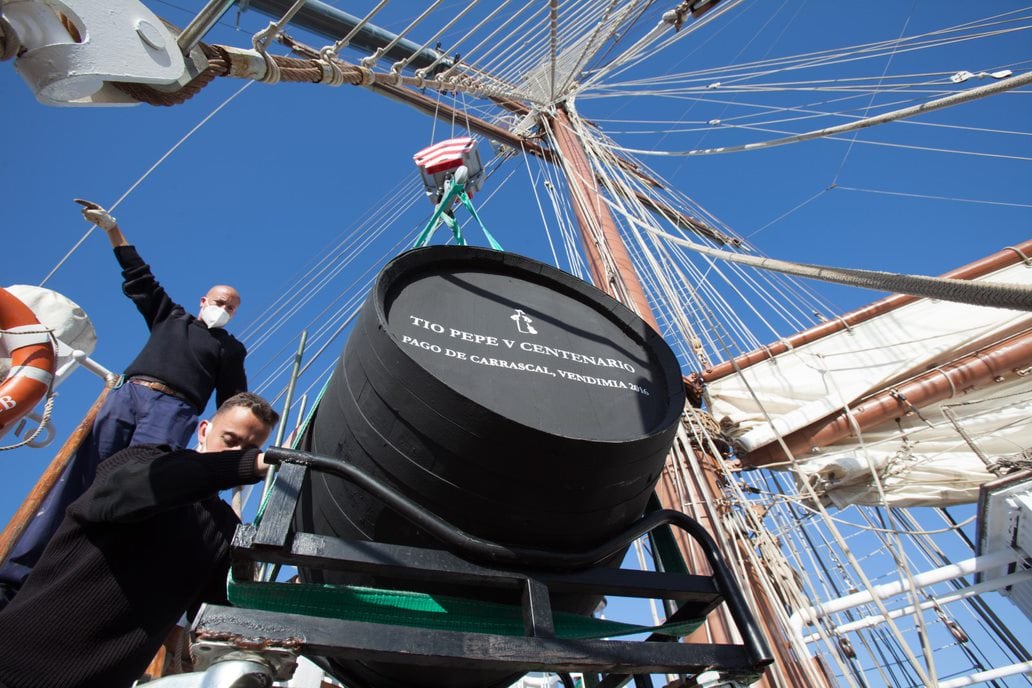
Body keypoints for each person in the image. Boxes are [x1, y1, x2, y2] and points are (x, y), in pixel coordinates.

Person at [0, 201, 249, 603]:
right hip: (127, 394)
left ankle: (90, 584)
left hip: (174, 411)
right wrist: (113, 231)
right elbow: (139, 276)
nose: (223, 310)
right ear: (203, 299)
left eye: (230, 307)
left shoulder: (231, 350)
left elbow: (233, 402)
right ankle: (14, 578)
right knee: (77, 481)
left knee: (136, 493)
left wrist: (231, 452)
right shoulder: (170, 317)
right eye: (219, 302)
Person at [0, 392, 279, 688]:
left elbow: (219, 617)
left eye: (250, 449)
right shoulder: (138, 462)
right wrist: (248, 465)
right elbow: (134, 492)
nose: (238, 453)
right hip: (13, 666)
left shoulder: (225, 530)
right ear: (204, 430)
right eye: (231, 440)